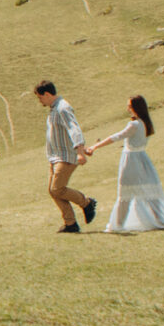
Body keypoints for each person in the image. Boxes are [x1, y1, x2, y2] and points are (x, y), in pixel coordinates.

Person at [79, 94, 164, 232]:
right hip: (142, 159)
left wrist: (95, 147)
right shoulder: (144, 123)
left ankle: (117, 225)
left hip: (131, 160)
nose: (128, 109)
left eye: (130, 106)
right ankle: (160, 219)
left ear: (136, 107)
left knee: (124, 194)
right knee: (149, 193)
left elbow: (116, 137)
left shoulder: (134, 124)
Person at [35, 80, 95, 234]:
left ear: (47, 94)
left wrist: (80, 152)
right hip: (56, 156)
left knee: (57, 189)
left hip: (66, 157)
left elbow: (74, 129)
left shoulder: (63, 108)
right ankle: (70, 224)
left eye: (40, 97)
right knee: (53, 190)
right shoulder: (54, 109)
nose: (40, 101)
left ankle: (86, 203)